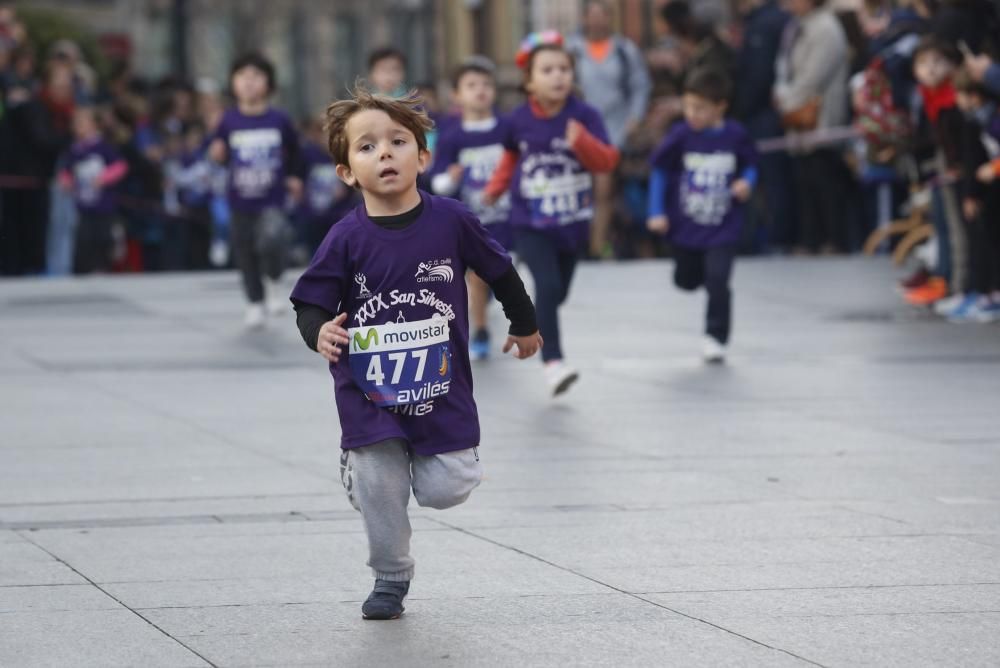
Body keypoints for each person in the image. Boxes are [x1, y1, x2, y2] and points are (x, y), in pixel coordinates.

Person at [289, 87, 541, 620]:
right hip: (369, 390)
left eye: (398, 141)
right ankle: (390, 575)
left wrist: (524, 323)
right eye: (367, 146)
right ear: (346, 173)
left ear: (423, 157)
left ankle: (396, 473)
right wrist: (319, 334)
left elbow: (499, 270)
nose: (384, 153)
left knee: (448, 487)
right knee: (381, 483)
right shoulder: (344, 238)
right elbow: (309, 303)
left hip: (439, 388)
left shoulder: (452, 220)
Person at [483, 31, 619, 395]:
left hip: (572, 224)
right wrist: (496, 188)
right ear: (529, 81)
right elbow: (511, 156)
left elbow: (607, 161)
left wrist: (583, 143)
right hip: (530, 222)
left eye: (564, 69)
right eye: (547, 70)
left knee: (555, 295)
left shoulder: (585, 116)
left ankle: (540, 318)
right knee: (548, 285)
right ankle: (554, 363)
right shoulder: (518, 121)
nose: (558, 76)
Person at [646, 69, 758, 363]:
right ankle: (694, 277)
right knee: (686, 280)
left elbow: (751, 164)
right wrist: (656, 210)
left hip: (723, 224)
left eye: (700, 108)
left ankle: (715, 335)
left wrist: (747, 182)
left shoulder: (735, 135)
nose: (691, 114)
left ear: (720, 107)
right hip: (686, 224)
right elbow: (659, 170)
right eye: (687, 106)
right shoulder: (681, 135)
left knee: (718, 279)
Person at [210, 52, 302, 328]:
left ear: (268, 83)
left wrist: (295, 177)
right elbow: (220, 153)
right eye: (243, 77)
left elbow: (297, 152)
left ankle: (274, 279)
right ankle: (254, 302)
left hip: (271, 197)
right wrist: (217, 154)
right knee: (246, 251)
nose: (249, 83)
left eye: (256, 77)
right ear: (233, 83)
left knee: (272, 242)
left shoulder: (279, 119)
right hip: (240, 198)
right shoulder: (228, 120)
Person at [430, 56, 513, 360]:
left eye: (486, 85)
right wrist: (449, 179)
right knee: (476, 275)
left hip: (509, 217)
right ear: (457, 95)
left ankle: (485, 304)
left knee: (496, 275)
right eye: (471, 85)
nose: (480, 91)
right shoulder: (453, 136)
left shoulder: (507, 128)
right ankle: (479, 330)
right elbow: (438, 182)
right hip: (472, 223)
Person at [566, 0, 651, 258]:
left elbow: (640, 86)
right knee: (576, 188)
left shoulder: (625, 50)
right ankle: (574, 242)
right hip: (577, 129)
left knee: (604, 189)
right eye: (592, 16)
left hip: (612, 129)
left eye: (602, 16)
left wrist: (635, 118)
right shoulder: (572, 49)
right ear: (584, 19)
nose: (597, 21)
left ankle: (595, 245)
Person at [773, 0, 852, 254]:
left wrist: (787, 101)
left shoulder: (826, 28)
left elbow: (813, 77)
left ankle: (834, 239)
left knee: (824, 180)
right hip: (797, 116)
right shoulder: (796, 26)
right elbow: (785, 68)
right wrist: (783, 94)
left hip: (821, 118)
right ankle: (810, 239)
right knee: (804, 182)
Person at [58, 106, 128, 274]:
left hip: (104, 204)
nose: (77, 127)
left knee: (103, 237)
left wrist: (103, 179)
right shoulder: (75, 149)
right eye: (76, 123)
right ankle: (83, 269)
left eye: (82, 123)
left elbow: (120, 166)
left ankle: (102, 267)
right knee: (84, 238)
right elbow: (66, 169)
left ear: (94, 125)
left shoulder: (103, 146)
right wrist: (66, 182)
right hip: (83, 204)